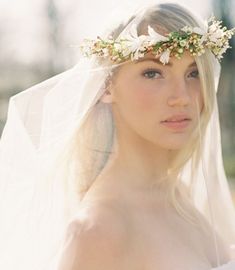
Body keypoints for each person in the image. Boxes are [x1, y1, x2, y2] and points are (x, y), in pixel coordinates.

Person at [0, 2, 235, 270]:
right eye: (153, 72)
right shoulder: (97, 232)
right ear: (106, 86)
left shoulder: (179, 195)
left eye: (193, 73)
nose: (182, 97)